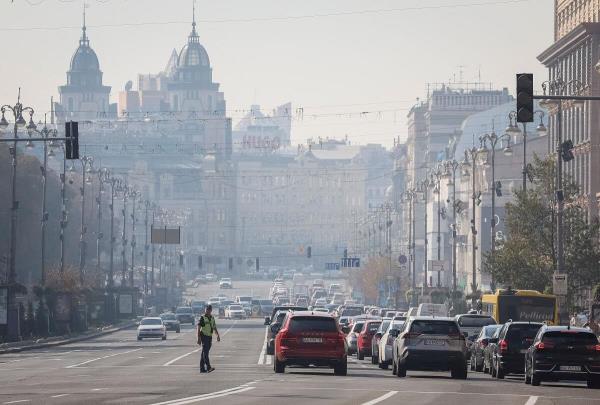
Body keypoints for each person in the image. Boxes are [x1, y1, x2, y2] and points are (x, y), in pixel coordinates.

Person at [197, 304, 220, 373]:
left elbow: (214, 327)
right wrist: (198, 338)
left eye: (209, 310)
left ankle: (202, 369)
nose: (207, 311)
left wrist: (217, 335)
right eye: (206, 310)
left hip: (209, 337)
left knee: (204, 353)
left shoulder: (212, 318)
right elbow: (198, 328)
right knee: (205, 353)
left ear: (211, 310)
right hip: (203, 336)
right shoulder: (202, 317)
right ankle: (208, 367)